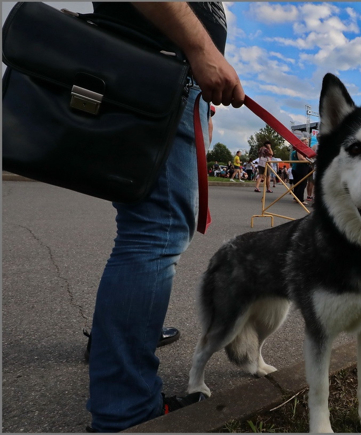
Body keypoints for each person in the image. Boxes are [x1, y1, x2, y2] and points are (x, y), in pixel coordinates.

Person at [85, 2, 245, 432]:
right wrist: (202, 49)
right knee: (154, 235)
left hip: (161, 71)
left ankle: (119, 348)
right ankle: (127, 411)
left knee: (145, 232)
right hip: (162, 72)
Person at [291, 138, 311, 203]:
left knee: (298, 183)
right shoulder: (300, 149)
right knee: (302, 183)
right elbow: (301, 158)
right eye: (305, 142)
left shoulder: (300, 150)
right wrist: (310, 161)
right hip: (301, 167)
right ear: (301, 142)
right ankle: (300, 199)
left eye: (307, 142)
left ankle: (296, 197)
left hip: (299, 167)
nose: (306, 144)